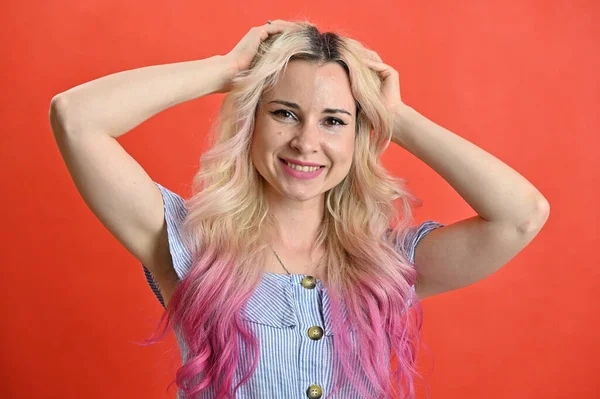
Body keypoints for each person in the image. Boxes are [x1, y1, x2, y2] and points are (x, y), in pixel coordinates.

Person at [49, 19, 549, 399]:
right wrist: (228, 70)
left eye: (334, 121)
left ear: (359, 136)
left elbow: (521, 214)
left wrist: (395, 115)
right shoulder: (192, 242)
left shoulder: (385, 266)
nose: (306, 142)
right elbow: (76, 118)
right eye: (285, 113)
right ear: (253, 121)